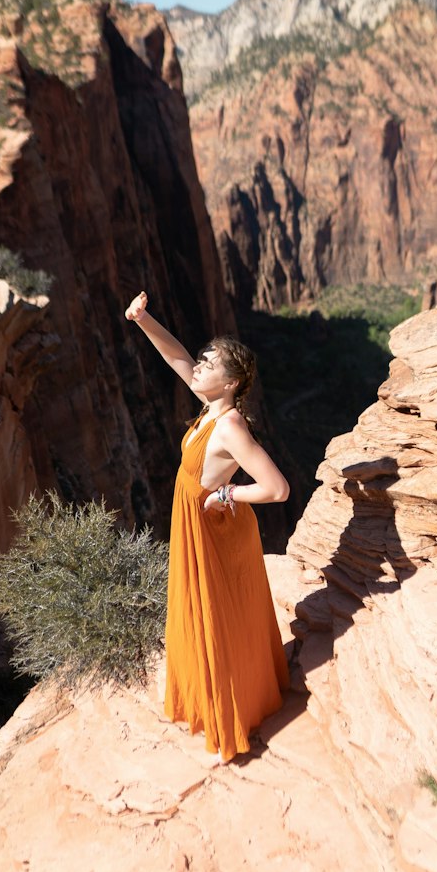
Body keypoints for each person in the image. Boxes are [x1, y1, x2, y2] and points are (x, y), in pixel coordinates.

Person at [125, 290, 290, 764]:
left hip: (214, 533)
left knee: (217, 621)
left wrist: (226, 495)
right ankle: (232, 696)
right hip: (196, 524)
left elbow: (276, 489)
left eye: (210, 363)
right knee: (207, 616)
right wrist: (143, 319)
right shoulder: (208, 409)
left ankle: (229, 719)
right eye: (203, 359)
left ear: (232, 381)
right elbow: (176, 356)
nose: (199, 365)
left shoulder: (230, 425)